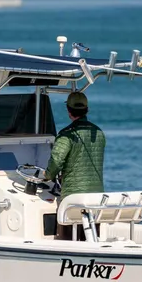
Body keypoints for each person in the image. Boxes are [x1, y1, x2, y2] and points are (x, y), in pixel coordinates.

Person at [45, 92, 106, 240]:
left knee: (67, 239)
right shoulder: (99, 133)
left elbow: (56, 161)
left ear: (68, 110)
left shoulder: (66, 135)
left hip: (72, 198)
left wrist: (47, 176)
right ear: (87, 109)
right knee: (91, 238)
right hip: (96, 198)